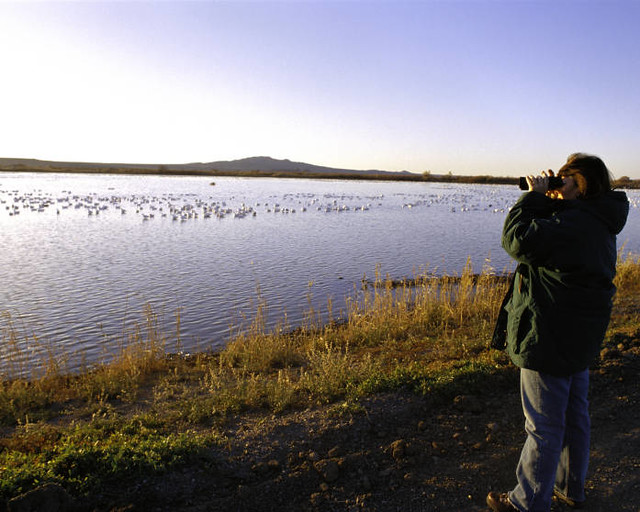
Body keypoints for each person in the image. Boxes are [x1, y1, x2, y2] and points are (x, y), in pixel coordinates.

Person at [486, 153, 629, 512]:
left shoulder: (575, 225)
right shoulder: (597, 219)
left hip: (549, 335)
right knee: (574, 417)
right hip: (578, 336)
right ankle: (570, 488)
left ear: (583, 184)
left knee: (544, 427)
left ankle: (527, 502)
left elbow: (516, 240)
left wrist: (533, 197)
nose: (559, 185)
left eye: (567, 180)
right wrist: (554, 201)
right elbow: (556, 242)